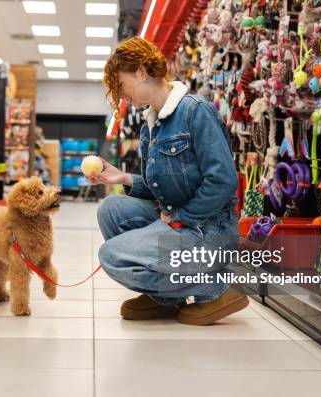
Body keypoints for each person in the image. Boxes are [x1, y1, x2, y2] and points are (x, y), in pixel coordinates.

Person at [88, 37, 248, 326]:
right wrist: (123, 178)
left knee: (111, 256)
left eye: (122, 85)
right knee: (111, 209)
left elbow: (223, 181)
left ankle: (216, 290)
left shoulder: (194, 111)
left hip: (208, 227)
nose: (122, 96)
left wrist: (182, 217)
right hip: (178, 219)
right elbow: (164, 187)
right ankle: (166, 298)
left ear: (140, 72)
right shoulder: (151, 124)